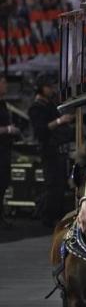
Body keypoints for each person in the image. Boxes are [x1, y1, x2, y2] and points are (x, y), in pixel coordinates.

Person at [28, 73, 75, 228]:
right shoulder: (36, 108)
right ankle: (48, 218)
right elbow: (41, 130)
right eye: (49, 86)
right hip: (49, 150)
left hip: (59, 149)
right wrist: (60, 120)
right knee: (52, 185)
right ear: (41, 88)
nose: (52, 89)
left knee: (60, 185)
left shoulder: (49, 104)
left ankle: (56, 217)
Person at [0, 75, 21, 229]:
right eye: (3, 82)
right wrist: (7, 129)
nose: (6, 86)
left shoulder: (3, 104)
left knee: (3, 184)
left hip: (5, 149)